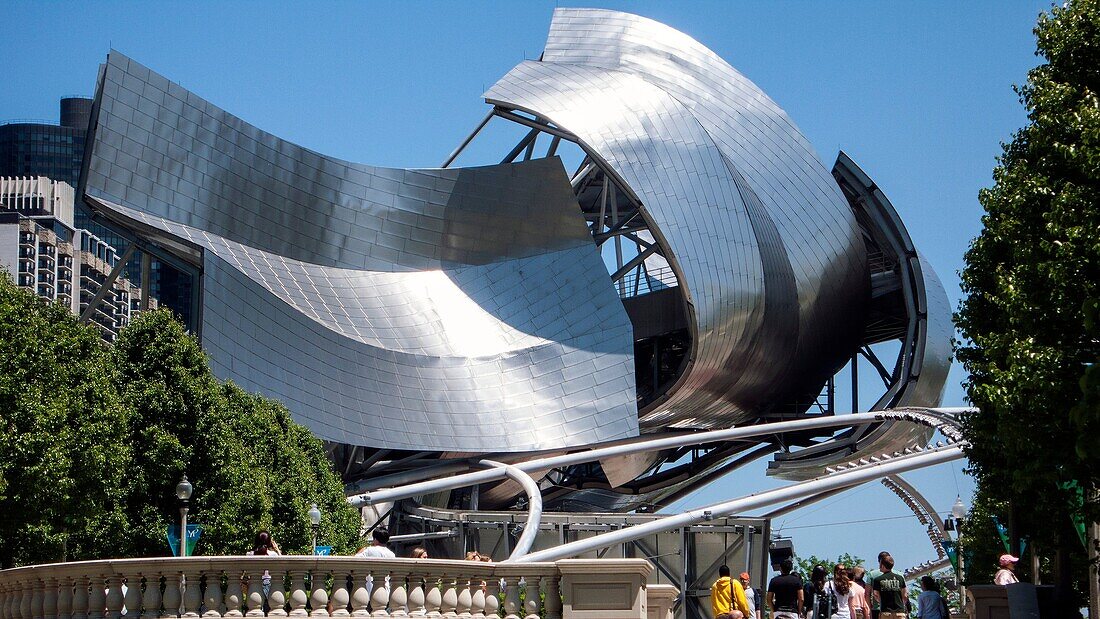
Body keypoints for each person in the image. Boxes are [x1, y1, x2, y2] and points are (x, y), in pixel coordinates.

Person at [871, 553, 907, 619]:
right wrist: (902, 604)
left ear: (883, 565)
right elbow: (905, 595)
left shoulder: (878, 580)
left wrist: (881, 601)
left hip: (886, 612)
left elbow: (875, 594)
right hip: (900, 612)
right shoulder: (900, 578)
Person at [865, 552, 887, 619]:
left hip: (876, 609)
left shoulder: (872, 574)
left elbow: (867, 594)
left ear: (879, 561)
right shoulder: (899, 574)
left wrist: (869, 610)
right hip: (894, 610)